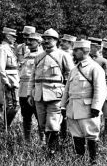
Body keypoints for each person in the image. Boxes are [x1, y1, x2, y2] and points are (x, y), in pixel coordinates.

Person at [27, 28, 73, 156]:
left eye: (50, 39)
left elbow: (70, 76)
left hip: (56, 95)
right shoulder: (39, 56)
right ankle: (48, 148)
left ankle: (53, 151)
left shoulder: (63, 56)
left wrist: (67, 95)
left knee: (52, 124)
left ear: (56, 41)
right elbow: (33, 77)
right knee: (42, 124)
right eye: (45, 38)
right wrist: (30, 93)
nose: (46, 41)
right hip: (39, 95)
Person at [61, 39, 107, 162]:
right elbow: (67, 90)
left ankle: (93, 161)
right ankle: (79, 161)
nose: (73, 53)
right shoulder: (74, 69)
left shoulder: (95, 68)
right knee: (76, 134)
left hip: (88, 109)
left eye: (76, 50)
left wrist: (96, 107)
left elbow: (100, 89)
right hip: (73, 108)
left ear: (84, 51)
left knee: (91, 134)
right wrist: (63, 106)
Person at [18, 32, 42, 142]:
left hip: (35, 90)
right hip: (23, 89)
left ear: (39, 42)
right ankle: (26, 140)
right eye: (27, 40)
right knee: (26, 116)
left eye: (32, 40)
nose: (28, 42)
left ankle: (43, 140)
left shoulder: (42, 55)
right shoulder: (26, 55)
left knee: (39, 116)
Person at [0, 27, 19, 130]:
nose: (15, 39)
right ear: (8, 36)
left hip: (14, 80)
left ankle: (6, 126)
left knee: (14, 105)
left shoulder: (10, 48)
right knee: (12, 106)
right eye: (13, 36)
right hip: (9, 81)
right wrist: (6, 81)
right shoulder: (3, 49)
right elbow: (0, 67)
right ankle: (6, 127)